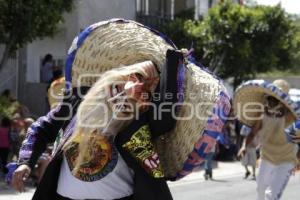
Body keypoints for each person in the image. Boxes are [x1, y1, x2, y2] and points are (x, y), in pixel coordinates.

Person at [11, 19, 230, 200]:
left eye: (146, 88)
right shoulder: (80, 101)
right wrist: (25, 163)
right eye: (135, 78)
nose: (136, 88)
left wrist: (172, 63)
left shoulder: (138, 123)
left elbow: (167, 111)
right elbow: (42, 128)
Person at [235, 79, 300, 200]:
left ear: (282, 100)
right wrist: (244, 146)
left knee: (272, 194)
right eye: (271, 97)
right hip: (267, 157)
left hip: (285, 160)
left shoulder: (291, 116)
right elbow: (253, 132)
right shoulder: (262, 113)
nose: (271, 100)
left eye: (275, 98)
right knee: (260, 188)